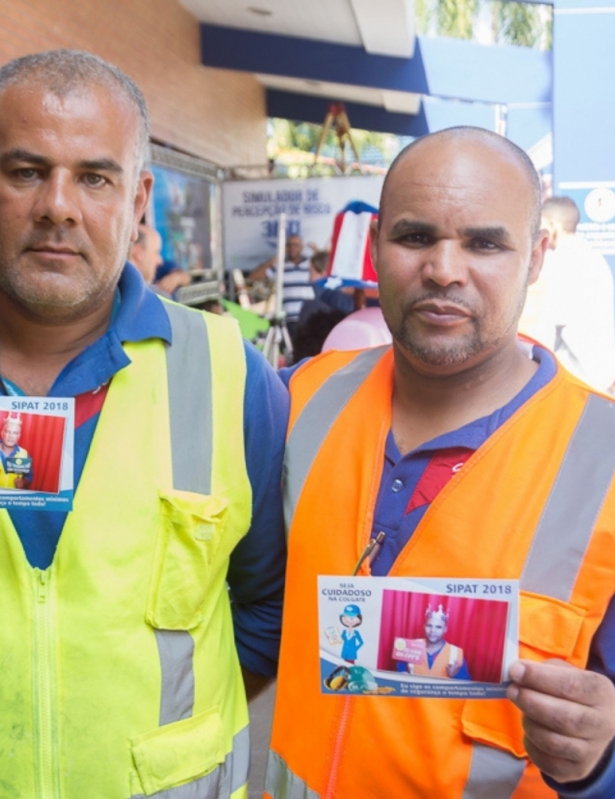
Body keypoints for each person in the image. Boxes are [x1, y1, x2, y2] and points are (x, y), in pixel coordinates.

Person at [266, 127, 615, 798]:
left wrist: (613, 745)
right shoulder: (300, 400)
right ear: (375, 248)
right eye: (415, 237)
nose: (444, 269)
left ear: (538, 255)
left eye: (485, 243)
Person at [0, 50, 287, 798]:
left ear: (139, 202)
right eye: (24, 171)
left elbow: (266, 602)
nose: (58, 205)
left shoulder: (231, 375)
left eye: (95, 177)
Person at [520, 196, 615, 393]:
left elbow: (546, 328)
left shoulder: (561, 263)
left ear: (551, 225)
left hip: (576, 378)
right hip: (599, 377)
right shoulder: (595, 259)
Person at [249, 233, 315, 340]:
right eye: (289, 245)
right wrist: (276, 258)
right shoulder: (279, 267)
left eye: (296, 245)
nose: (292, 247)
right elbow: (253, 277)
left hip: (308, 318)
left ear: (302, 247)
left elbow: (326, 269)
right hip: (289, 320)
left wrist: (317, 251)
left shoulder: (311, 265)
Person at [395, 603, 470, 680]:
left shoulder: (455, 652)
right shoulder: (410, 646)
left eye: (438, 627)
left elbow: (466, 684)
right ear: (424, 627)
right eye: (429, 626)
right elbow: (399, 675)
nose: (433, 631)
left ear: (445, 629)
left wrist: (457, 675)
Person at [0, 413, 32, 489]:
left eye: (15, 433)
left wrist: (23, 482)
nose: (11, 436)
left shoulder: (25, 454)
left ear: (19, 436)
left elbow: (29, 477)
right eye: (8, 432)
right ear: (2, 433)